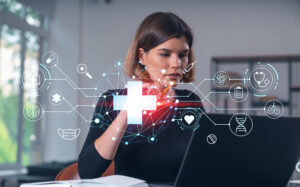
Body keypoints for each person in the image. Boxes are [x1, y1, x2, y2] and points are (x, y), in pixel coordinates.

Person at [78, 12, 204, 183]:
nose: (177, 64)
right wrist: (125, 115)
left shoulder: (191, 102)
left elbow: (205, 162)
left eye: (183, 55)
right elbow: (87, 171)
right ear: (142, 56)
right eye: (165, 54)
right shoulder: (113, 99)